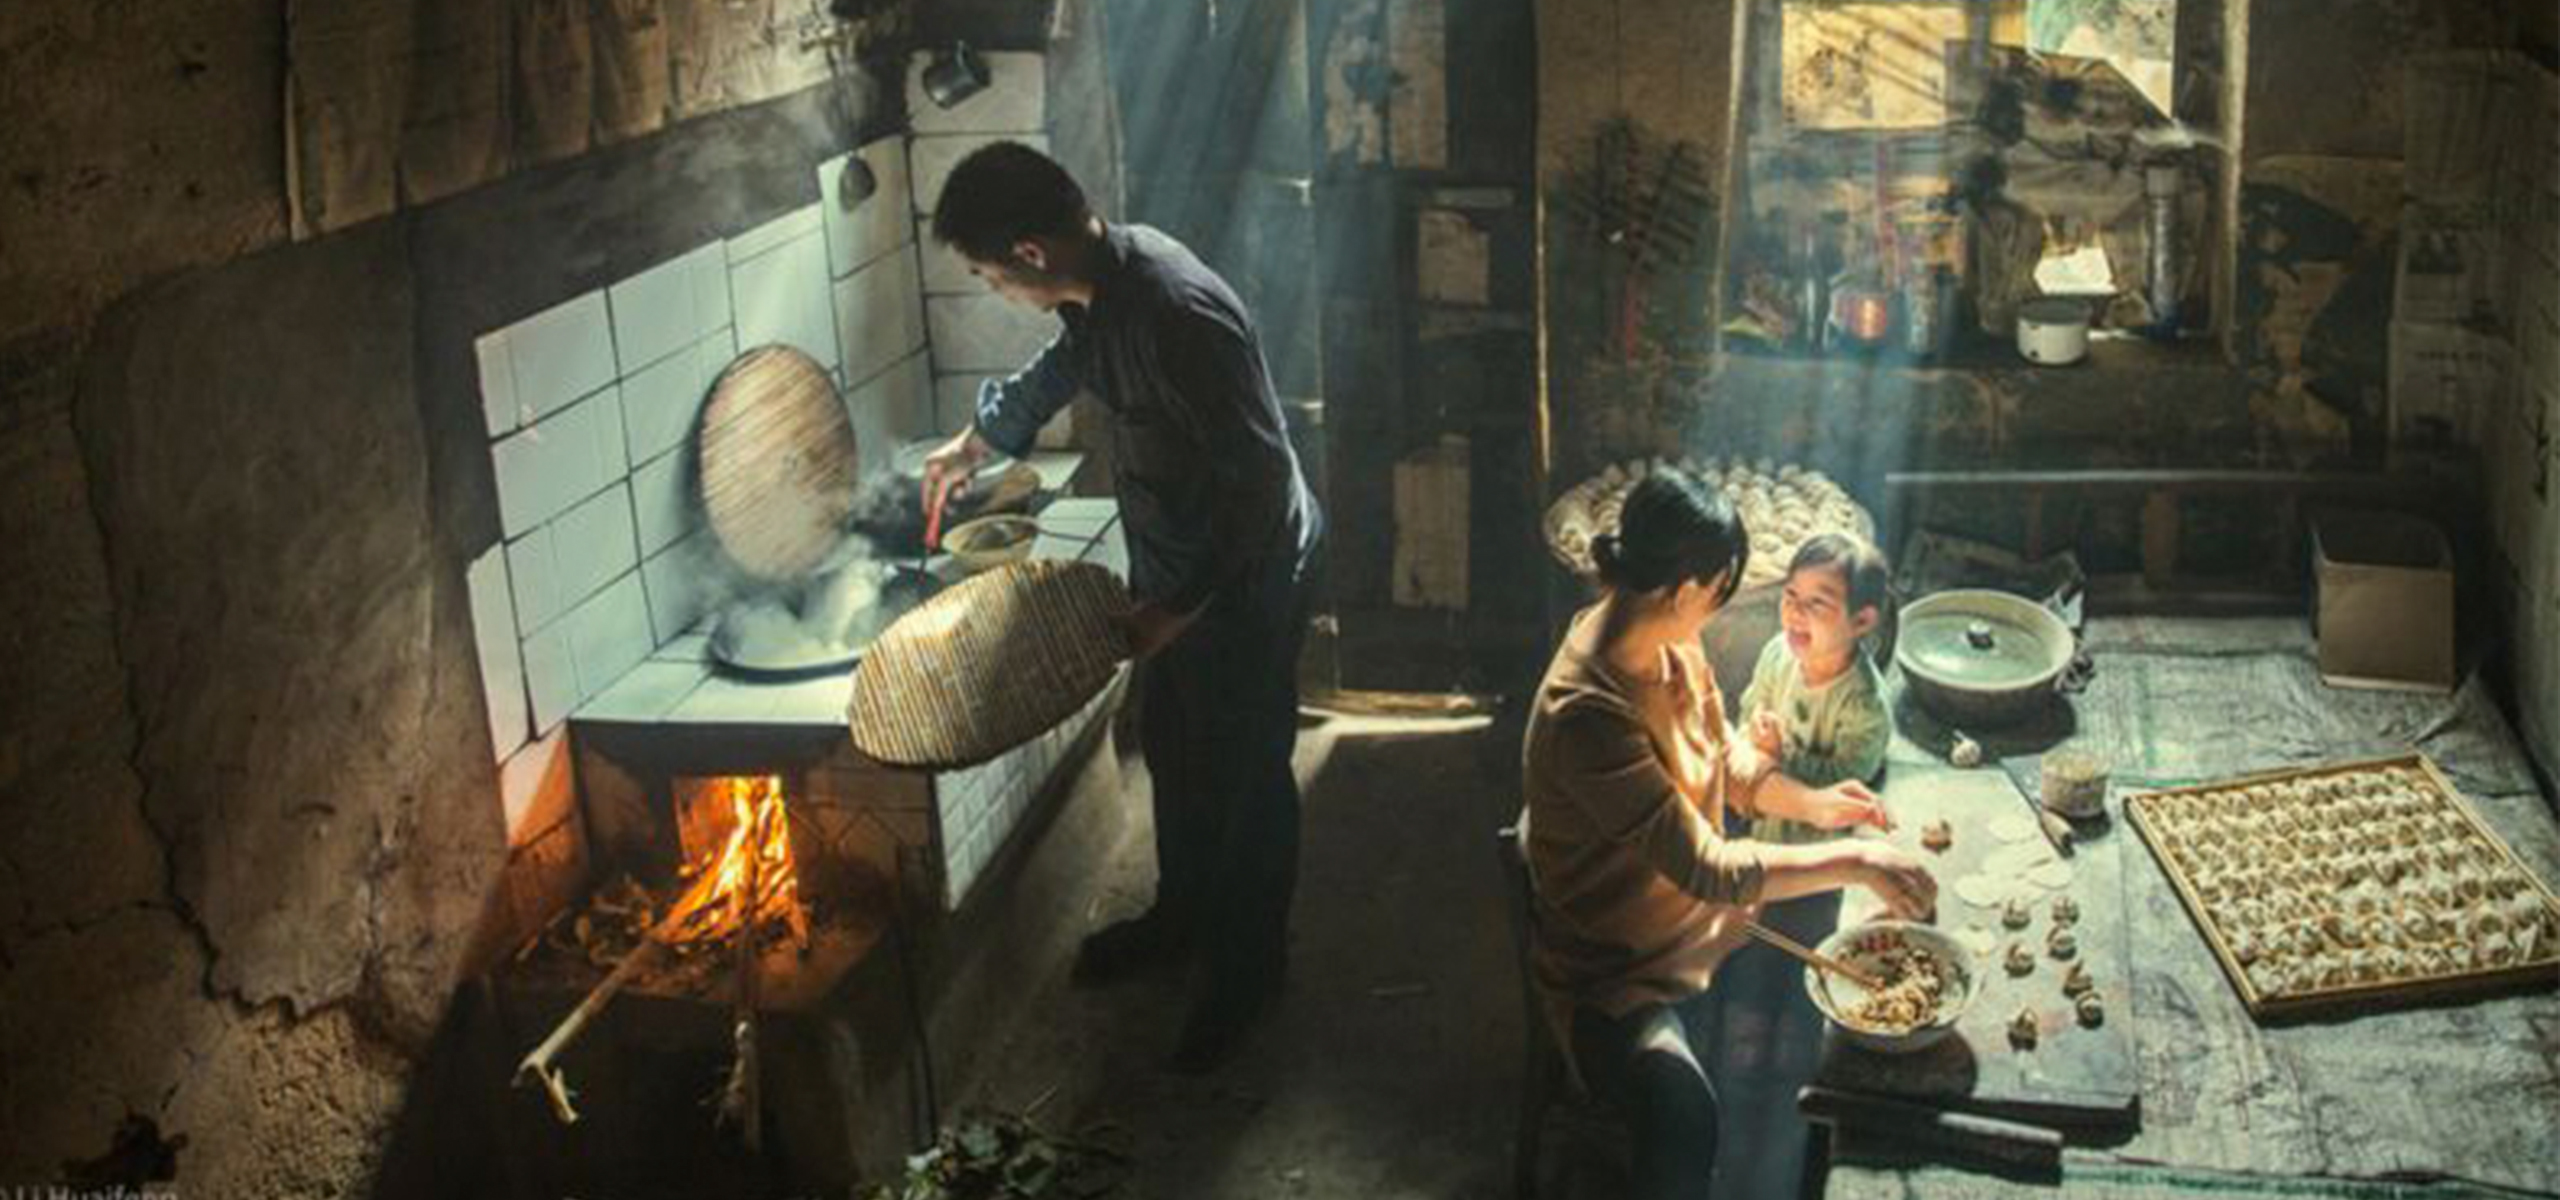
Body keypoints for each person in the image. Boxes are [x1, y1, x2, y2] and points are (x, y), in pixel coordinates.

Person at [919, 141, 1322, 1071]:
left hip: (1247, 579)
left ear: (1028, 252)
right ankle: (1181, 920)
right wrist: (979, 438)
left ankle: (1250, 971)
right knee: (1179, 751)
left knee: (1245, 775)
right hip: (1180, 568)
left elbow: (1257, 488)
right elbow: (1067, 361)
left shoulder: (1177, 313)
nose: (994, 290)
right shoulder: (1100, 283)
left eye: (987, 275)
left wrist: (1177, 610)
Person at [1519, 472, 1933, 1200]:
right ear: (1684, 589)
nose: (1721, 607)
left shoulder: (1666, 638)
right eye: (1720, 590)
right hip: (1619, 971)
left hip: (1703, 928)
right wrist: (1857, 859)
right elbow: (1710, 866)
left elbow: (1730, 763)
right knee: (1684, 1113)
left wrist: (1814, 805)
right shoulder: (1587, 712)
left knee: (1825, 1022)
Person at [1710, 531, 1897, 1198]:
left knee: (1800, 1007)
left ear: (1863, 622)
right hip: (1762, 856)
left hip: (1817, 878)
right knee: (1743, 995)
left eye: (1819, 603)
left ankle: (1792, 1145)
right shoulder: (1773, 656)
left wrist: (1773, 760)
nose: (1795, 615)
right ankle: (1732, 1113)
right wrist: (1753, 741)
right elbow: (1740, 723)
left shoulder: (1864, 709)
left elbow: (1838, 800)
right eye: (1791, 597)